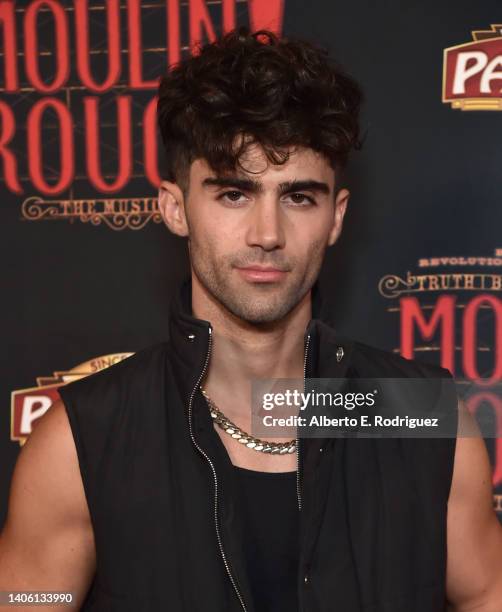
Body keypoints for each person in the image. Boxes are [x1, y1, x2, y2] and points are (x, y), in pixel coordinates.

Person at [1, 27, 501, 612]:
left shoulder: (423, 418)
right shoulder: (82, 440)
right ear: (175, 208)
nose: (268, 235)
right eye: (234, 194)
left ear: (336, 218)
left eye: (298, 198)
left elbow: (487, 592)